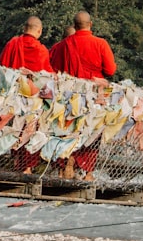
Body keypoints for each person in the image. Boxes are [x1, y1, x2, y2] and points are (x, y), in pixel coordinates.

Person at [49, 12, 116, 180]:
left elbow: (53, 69)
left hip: (68, 96)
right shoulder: (101, 43)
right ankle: (88, 172)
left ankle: (64, 166)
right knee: (92, 130)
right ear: (90, 24)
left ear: (75, 25)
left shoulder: (63, 45)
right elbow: (110, 70)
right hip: (93, 95)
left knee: (66, 129)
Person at [0, 16, 53, 174]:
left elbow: (3, 66)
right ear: (39, 31)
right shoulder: (41, 50)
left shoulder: (13, 43)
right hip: (33, 100)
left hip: (14, 96)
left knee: (15, 127)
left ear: (24, 28)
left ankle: (15, 160)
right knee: (30, 129)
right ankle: (27, 167)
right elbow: (46, 76)